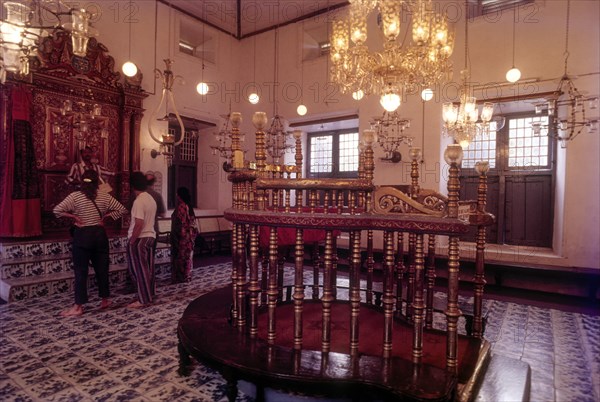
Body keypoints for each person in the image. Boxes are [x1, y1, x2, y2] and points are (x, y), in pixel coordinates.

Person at [53, 169, 127, 317]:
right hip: (99, 235)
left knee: (81, 272)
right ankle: (105, 300)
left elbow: (57, 210)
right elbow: (122, 209)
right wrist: (105, 217)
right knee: (102, 269)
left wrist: (74, 217)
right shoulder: (104, 196)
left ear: (82, 181)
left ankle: (78, 306)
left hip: (82, 236)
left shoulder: (75, 196)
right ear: (96, 182)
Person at [126, 171, 157, 308]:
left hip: (140, 239)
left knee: (138, 269)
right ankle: (149, 294)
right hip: (150, 236)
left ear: (132, 186)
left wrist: (132, 240)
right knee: (148, 268)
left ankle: (143, 299)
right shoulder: (150, 198)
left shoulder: (138, 201)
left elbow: (138, 223)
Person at [171, 187, 198, 283]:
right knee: (188, 256)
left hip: (183, 236)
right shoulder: (189, 206)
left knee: (181, 256)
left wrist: (176, 235)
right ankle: (187, 275)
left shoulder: (182, 206)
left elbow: (180, 223)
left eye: (177, 194)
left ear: (180, 196)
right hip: (190, 236)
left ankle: (181, 276)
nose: (176, 196)